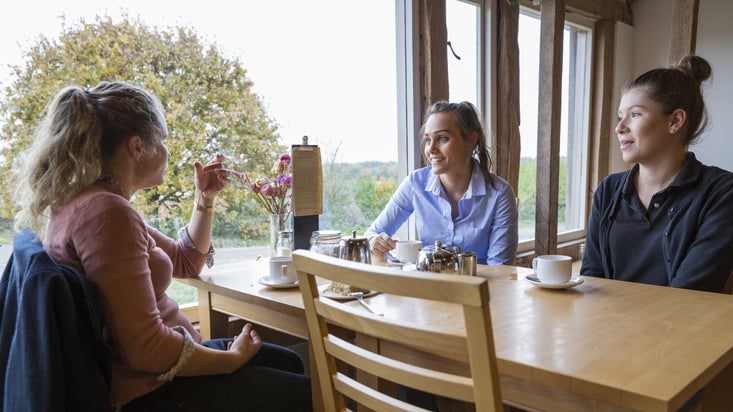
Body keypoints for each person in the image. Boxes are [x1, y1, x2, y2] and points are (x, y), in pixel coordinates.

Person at [12, 81, 312, 411]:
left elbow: (186, 260)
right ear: (137, 147)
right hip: (149, 388)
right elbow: (145, 348)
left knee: (289, 361)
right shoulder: (106, 213)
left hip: (167, 364)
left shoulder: (96, 203)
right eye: (163, 141)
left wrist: (205, 199)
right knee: (309, 393)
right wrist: (228, 361)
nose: (168, 152)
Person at [581, 55, 733, 294]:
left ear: (675, 121)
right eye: (621, 116)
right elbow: (592, 279)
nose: (619, 128)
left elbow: (691, 292)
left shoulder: (721, 192)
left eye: (635, 114)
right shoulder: (608, 189)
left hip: (682, 328)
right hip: (608, 326)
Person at [366, 100, 518, 266]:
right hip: (427, 288)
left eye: (442, 138)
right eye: (428, 140)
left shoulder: (500, 194)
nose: (430, 149)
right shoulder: (414, 183)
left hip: (478, 290)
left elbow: (500, 269)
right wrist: (375, 241)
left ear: (470, 140)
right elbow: (372, 233)